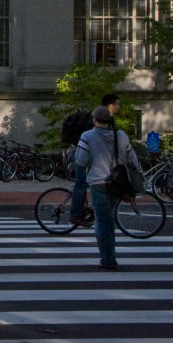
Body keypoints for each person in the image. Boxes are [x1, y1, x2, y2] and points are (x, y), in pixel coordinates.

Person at [76, 105, 140, 270]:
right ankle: (109, 255)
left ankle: (108, 259)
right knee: (109, 218)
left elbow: (81, 160)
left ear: (94, 119)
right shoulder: (121, 135)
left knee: (103, 221)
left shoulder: (87, 136)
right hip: (118, 183)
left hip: (98, 182)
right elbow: (132, 159)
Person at [68, 93, 121, 223]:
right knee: (82, 184)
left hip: (94, 158)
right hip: (83, 155)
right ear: (110, 105)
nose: (119, 107)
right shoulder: (95, 119)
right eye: (117, 104)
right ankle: (76, 214)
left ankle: (97, 210)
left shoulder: (106, 120)